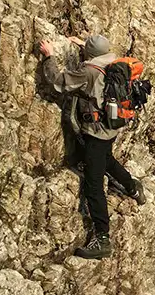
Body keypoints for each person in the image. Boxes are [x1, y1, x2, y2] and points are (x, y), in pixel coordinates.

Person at [38, 34, 146, 259]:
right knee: (106, 159)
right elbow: (98, 54)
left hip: (96, 133)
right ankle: (132, 186)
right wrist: (84, 46)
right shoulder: (114, 64)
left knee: (93, 185)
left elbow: (57, 82)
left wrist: (50, 56)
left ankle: (102, 238)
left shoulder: (89, 72)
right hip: (112, 127)